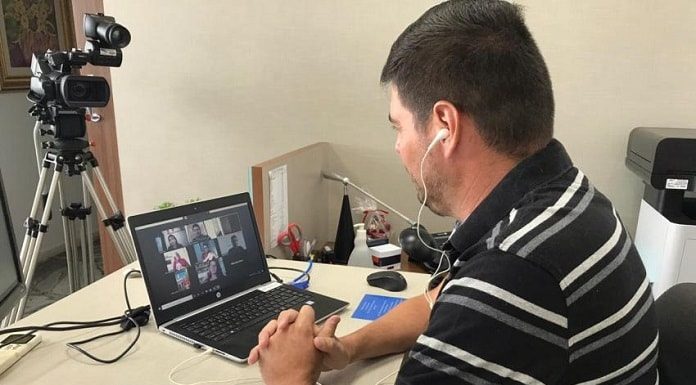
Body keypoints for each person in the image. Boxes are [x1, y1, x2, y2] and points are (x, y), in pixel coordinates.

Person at [249, 1, 658, 385]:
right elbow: (439, 301)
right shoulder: (571, 200)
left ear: (444, 124)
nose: (397, 146)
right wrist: (348, 347)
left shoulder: (512, 276)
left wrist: (289, 375)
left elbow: (474, 304)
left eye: (399, 126)